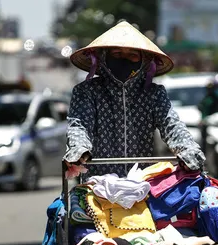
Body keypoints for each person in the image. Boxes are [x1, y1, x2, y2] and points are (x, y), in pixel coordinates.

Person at [64, 21, 206, 179]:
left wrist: (187, 149)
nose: (123, 59)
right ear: (104, 57)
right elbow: (79, 126)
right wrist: (79, 150)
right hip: (97, 184)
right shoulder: (87, 91)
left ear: (143, 61)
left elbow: (172, 125)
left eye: (132, 55)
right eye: (117, 54)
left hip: (143, 183)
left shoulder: (154, 94)